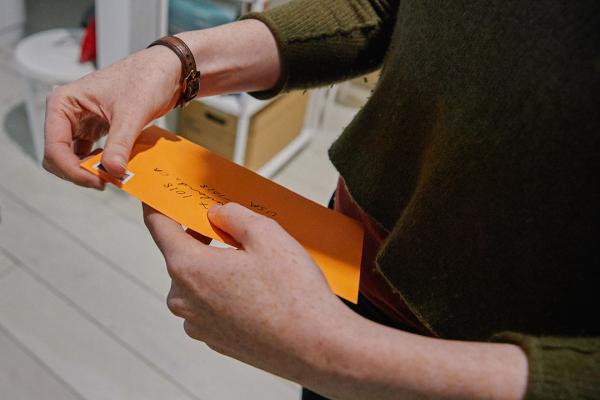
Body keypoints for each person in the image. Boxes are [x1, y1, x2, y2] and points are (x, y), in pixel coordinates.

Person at [43, 1, 599, 399]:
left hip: (483, 356)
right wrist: (174, 61)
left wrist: (333, 355)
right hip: (342, 259)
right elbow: (386, 8)